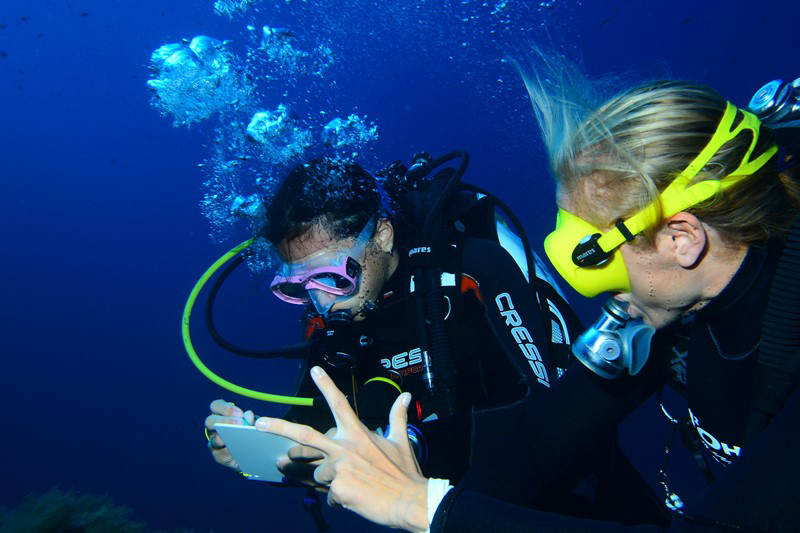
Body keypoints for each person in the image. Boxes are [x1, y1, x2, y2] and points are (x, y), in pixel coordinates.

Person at [254, 70, 800, 532]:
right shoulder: (657, 318)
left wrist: (422, 508)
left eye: (590, 254)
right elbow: (535, 447)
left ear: (681, 240)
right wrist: (410, 472)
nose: (585, 285)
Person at [205, 154, 593, 486]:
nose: (323, 302)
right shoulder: (326, 322)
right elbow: (322, 432)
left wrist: (412, 446)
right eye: (298, 286)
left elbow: (544, 413)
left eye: (333, 276)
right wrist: (264, 445)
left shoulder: (469, 273)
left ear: (383, 236)